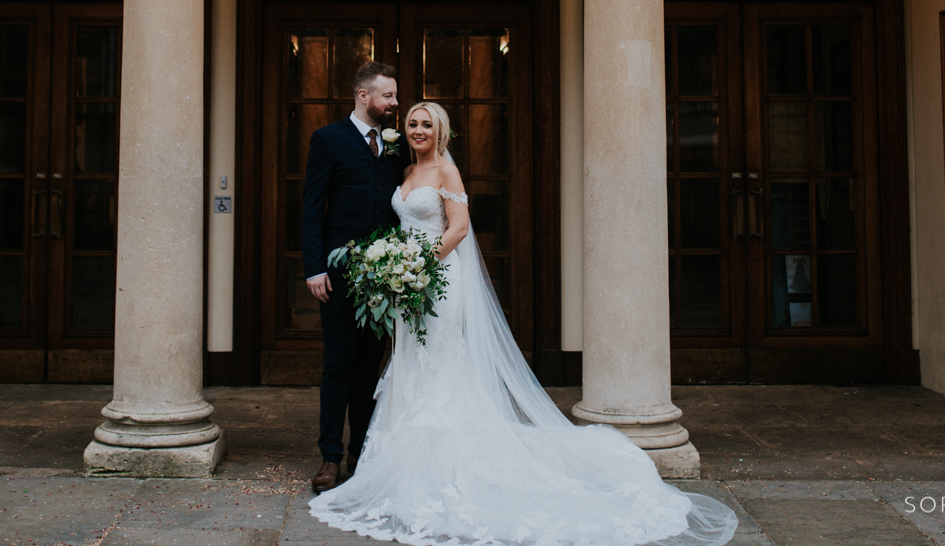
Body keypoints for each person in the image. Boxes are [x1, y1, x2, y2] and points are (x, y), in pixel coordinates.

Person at [310, 101, 739, 546]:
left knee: (441, 364)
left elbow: (457, 229)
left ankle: (448, 462)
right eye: (413, 124)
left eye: (427, 125)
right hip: (409, 286)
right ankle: (398, 461)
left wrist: (417, 267)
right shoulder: (404, 174)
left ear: (442, 132)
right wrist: (395, 268)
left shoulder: (445, 172)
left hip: (437, 280)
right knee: (411, 363)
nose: (418, 130)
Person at [301, 60, 411, 493]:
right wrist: (314, 267)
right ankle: (330, 456)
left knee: (370, 366)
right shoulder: (327, 140)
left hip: (386, 274)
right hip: (340, 272)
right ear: (364, 96)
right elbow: (313, 207)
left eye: (395, 96)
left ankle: (361, 452)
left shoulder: (398, 144)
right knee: (338, 364)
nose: (395, 103)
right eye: (389, 96)